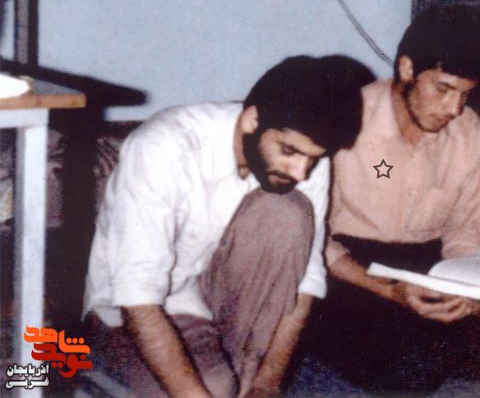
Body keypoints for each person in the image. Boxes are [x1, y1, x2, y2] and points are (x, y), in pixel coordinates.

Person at [303, 5, 480, 394]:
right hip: (351, 266)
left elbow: (466, 227)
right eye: (443, 89)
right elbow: (311, 235)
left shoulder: (467, 129)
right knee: (410, 369)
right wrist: (388, 290)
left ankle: (429, 343)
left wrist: (472, 288)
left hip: (429, 260)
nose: (454, 109)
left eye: (466, 94)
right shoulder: (345, 118)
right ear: (407, 68)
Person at [82, 55, 375, 397]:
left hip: (209, 301)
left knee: (289, 211)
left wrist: (267, 384)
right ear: (252, 120)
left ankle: (241, 373)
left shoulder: (306, 156)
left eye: (313, 159)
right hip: (127, 313)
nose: (300, 172)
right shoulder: (164, 146)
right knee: (213, 388)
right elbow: (137, 295)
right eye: (289, 152)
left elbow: (305, 278)